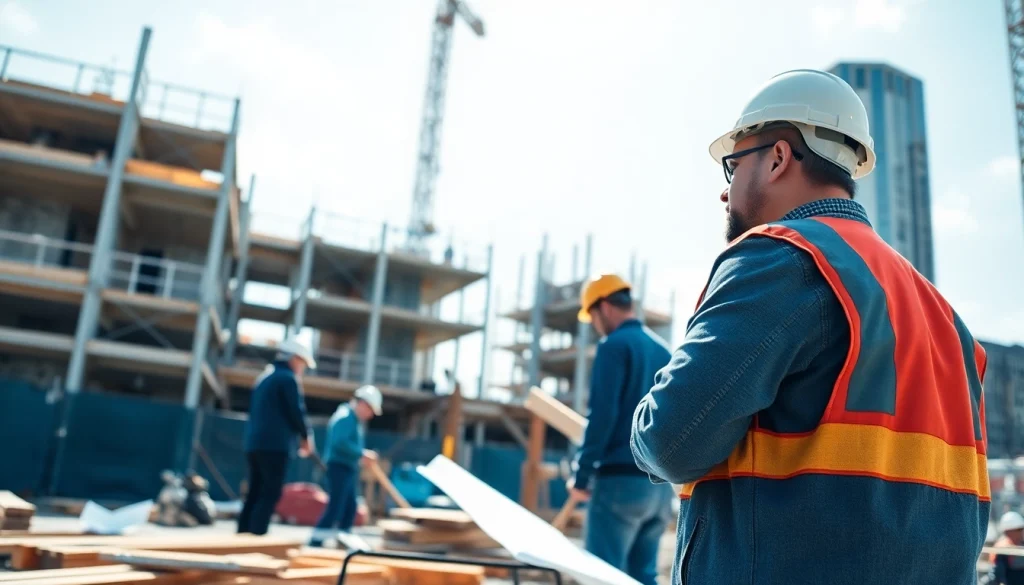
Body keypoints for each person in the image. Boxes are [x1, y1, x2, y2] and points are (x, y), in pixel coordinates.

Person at [630, 69, 990, 585]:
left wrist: (642, 424)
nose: (725, 193)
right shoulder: (947, 320)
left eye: (732, 167)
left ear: (777, 158)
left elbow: (671, 440)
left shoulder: (781, 258)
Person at [567, 273, 674, 585]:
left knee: (603, 577)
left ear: (604, 307)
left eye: (593, 318)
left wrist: (582, 474)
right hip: (656, 487)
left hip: (618, 485)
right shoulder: (664, 351)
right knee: (643, 577)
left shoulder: (613, 346)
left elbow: (603, 415)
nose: (594, 326)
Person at [237, 337, 317, 535]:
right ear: (296, 359)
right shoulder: (288, 379)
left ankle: (242, 535)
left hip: (254, 444)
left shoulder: (264, 378)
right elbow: (296, 411)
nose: (303, 369)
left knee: (254, 492)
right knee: (270, 493)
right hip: (275, 446)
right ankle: (255, 538)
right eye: (303, 363)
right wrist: (306, 437)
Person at [309, 384, 383, 547]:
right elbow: (339, 442)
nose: (370, 415)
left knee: (350, 507)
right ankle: (315, 542)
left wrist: (359, 455)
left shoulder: (354, 420)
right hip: (338, 468)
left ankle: (343, 540)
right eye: (370, 410)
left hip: (348, 468)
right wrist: (361, 453)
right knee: (336, 506)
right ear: (363, 403)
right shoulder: (344, 417)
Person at [984, 512, 1024, 584]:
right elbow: (995, 577)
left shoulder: (1021, 545)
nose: (1021, 533)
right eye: (1018, 530)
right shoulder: (1001, 549)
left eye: (1021, 529)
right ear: (1008, 531)